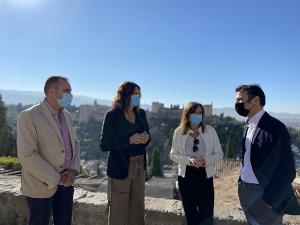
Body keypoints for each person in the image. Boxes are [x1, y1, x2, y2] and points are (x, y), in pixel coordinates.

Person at [17, 76, 80, 225]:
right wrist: (57, 178)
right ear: (51, 91)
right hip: (40, 186)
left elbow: (75, 144)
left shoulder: (67, 115)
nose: (71, 94)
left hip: (66, 185)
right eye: (67, 90)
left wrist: (72, 171)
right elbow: (27, 155)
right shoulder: (29, 116)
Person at [235, 84, 300, 225]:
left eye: (240, 100)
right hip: (245, 191)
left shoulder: (275, 127)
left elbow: (287, 171)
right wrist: (241, 183)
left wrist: (271, 200)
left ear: (255, 100)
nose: (237, 104)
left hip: (264, 195)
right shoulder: (247, 125)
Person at [100, 81, 150, 225]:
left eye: (139, 94)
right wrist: (129, 140)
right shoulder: (112, 116)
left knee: (138, 209)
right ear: (125, 95)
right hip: (120, 168)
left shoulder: (141, 114)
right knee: (118, 210)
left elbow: (148, 137)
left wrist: (146, 138)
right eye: (135, 94)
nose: (138, 97)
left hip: (139, 166)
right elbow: (104, 144)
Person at [170, 102, 223, 225]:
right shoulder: (179, 132)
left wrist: (205, 161)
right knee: (191, 217)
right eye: (194, 112)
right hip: (186, 178)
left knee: (207, 216)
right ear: (187, 114)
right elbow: (173, 154)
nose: (197, 115)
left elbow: (219, 154)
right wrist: (189, 160)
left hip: (205, 177)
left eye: (200, 112)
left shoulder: (210, 131)